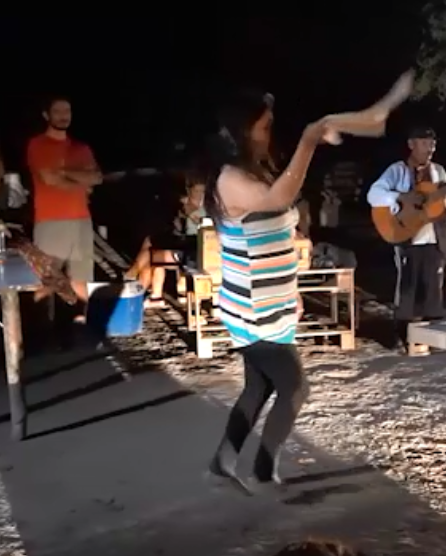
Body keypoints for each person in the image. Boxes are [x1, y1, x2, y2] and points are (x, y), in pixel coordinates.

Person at [203, 89, 330, 494]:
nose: (268, 134)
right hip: (253, 307)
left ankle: (223, 463)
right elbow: (280, 199)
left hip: (268, 301)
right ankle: (262, 470)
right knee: (295, 387)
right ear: (241, 131)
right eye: (263, 126)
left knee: (259, 386)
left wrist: (290, 290)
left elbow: (274, 229)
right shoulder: (231, 177)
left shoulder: (256, 169)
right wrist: (309, 141)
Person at [366, 126, 446, 347]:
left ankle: (431, 337)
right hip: (407, 235)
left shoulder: (439, 172)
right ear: (411, 144)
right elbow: (374, 194)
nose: (430, 148)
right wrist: (401, 197)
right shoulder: (397, 171)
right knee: (407, 287)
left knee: (433, 288)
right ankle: (403, 335)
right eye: (425, 143)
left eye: (432, 144)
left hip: (434, 237)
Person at [26, 96, 103, 308]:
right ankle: (41, 329)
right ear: (46, 115)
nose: (63, 116)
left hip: (81, 219)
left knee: (81, 278)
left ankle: (81, 326)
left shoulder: (80, 147)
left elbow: (97, 177)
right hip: (51, 220)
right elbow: (49, 179)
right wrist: (80, 179)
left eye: (67, 111)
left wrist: (63, 172)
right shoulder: (38, 144)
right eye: (57, 111)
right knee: (47, 279)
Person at [125, 178, 207, 307]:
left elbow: (202, 230)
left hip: (192, 251)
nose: (199, 194)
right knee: (151, 247)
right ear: (189, 191)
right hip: (183, 244)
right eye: (196, 190)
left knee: (150, 255)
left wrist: (191, 215)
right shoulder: (185, 205)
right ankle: (152, 296)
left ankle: (135, 284)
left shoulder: (205, 209)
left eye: (202, 191)